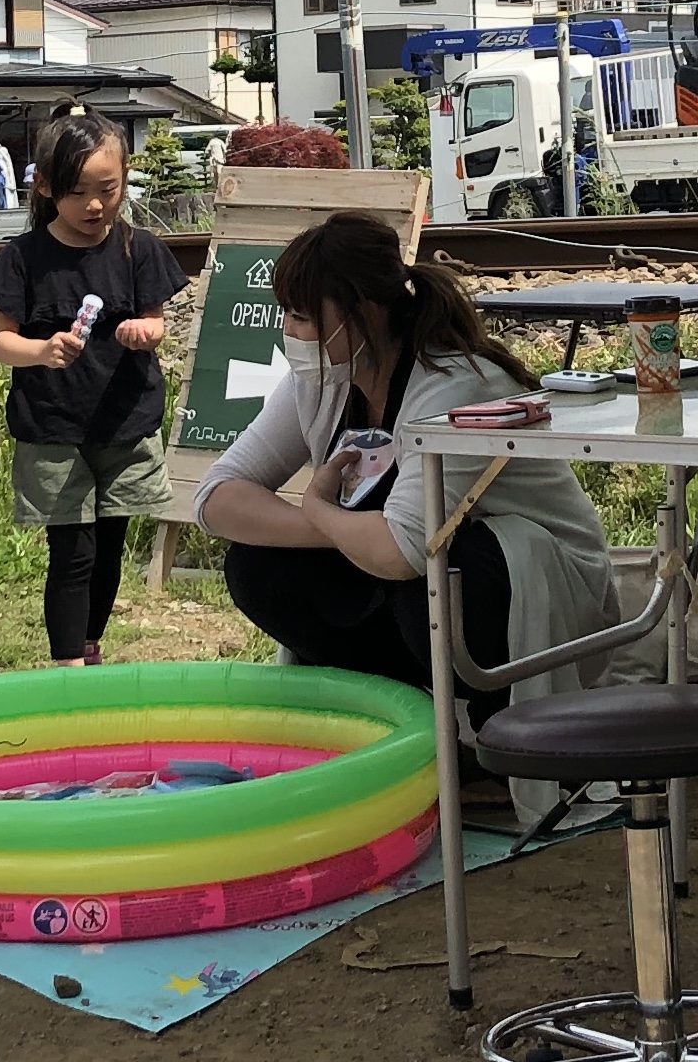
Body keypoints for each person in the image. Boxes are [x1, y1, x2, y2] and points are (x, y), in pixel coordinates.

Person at [191, 214, 620, 790]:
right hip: (414, 580)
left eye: (300, 316)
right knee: (258, 565)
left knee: (445, 568)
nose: (288, 332)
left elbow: (402, 552)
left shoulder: (456, 385)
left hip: (541, 601)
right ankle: (392, 723)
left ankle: (499, 735)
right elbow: (217, 498)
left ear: (361, 313)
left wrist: (324, 512)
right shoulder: (321, 380)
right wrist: (332, 529)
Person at [0, 108, 185, 664]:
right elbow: (0, 342)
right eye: (78, 193)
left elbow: (157, 321)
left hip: (123, 421)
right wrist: (41, 351)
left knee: (111, 546)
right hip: (53, 427)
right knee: (72, 549)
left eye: (108, 189)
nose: (95, 205)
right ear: (45, 187)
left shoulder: (137, 247)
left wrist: (146, 331)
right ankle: (68, 661)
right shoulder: (23, 257)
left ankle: (90, 646)